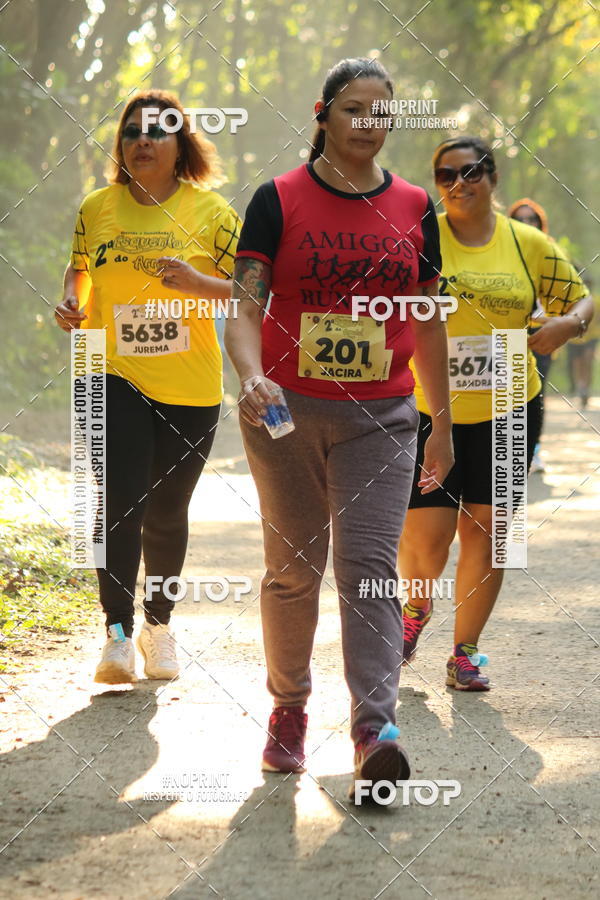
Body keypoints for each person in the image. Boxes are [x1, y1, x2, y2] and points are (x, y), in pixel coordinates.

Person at [225, 57, 454, 799]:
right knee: (294, 572)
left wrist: (441, 422)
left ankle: (373, 729)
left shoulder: (417, 206)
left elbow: (426, 324)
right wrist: (251, 374)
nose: (369, 124)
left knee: (369, 571)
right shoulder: (278, 199)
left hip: (381, 418)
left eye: (381, 112)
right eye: (354, 109)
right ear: (322, 114)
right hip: (285, 413)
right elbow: (244, 307)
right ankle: (289, 710)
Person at [54, 90, 240, 684]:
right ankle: (116, 634)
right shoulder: (97, 206)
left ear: (180, 144)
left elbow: (253, 290)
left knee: (167, 511)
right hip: (114, 375)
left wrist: (195, 281)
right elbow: (80, 268)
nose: (142, 140)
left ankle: (160, 627)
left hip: (190, 384)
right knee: (118, 503)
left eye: (157, 131)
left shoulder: (211, 211)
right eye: (132, 131)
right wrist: (71, 303)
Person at [399, 137, 593, 691]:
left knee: (491, 530)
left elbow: (580, 301)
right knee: (427, 538)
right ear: (436, 182)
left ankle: (466, 652)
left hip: (510, 401)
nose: (459, 182)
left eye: (472, 171)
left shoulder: (527, 242)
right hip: (431, 408)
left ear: (493, 176)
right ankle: (414, 615)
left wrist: (569, 325)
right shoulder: (422, 237)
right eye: (446, 174)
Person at [508, 198, 552, 472]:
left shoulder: (548, 253)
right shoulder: (500, 252)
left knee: (537, 391)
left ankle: (533, 450)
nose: (526, 224)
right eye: (520, 219)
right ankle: (509, 451)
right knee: (510, 393)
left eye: (531, 219)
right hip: (511, 330)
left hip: (541, 329)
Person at [567, 278, 600, 409]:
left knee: (588, 360)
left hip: (592, 336)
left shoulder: (597, 301)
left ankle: (586, 388)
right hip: (574, 337)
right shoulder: (573, 302)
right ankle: (580, 387)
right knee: (577, 363)